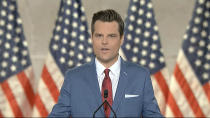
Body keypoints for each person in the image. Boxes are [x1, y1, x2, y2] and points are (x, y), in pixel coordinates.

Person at [48, 9, 163, 117]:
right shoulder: (73, 78)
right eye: (99, 36)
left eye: (111, 36)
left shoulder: (140, 76)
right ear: (92, 38)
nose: (104, 42)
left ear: (121, 39)